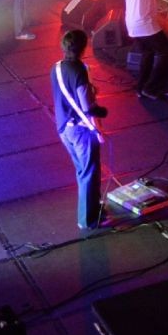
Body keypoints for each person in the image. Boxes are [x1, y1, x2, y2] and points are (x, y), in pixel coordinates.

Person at [51, 29, 107, 230]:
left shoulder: (56, 67)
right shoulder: (79, 70)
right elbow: (87, 106)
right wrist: (102, 112)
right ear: (84, 47)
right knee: (89, 172)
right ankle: (88, 219)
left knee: (82, 170)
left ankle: (94, 208)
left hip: (64, 128)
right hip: (81, 130)